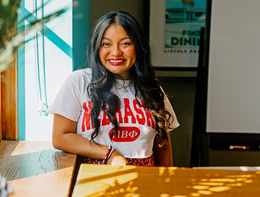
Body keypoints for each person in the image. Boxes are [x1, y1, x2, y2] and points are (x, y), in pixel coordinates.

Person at [48, 11, 179, 166]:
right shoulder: (80, 81)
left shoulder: (151, 88)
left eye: (125, 43)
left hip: (144, 182)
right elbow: (60, 137)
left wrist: (164, 187)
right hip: (93, 181)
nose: (116, 52)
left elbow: (162, 147)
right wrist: (110, 153)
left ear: (138, 46)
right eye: (106, 44)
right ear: (97, 48)